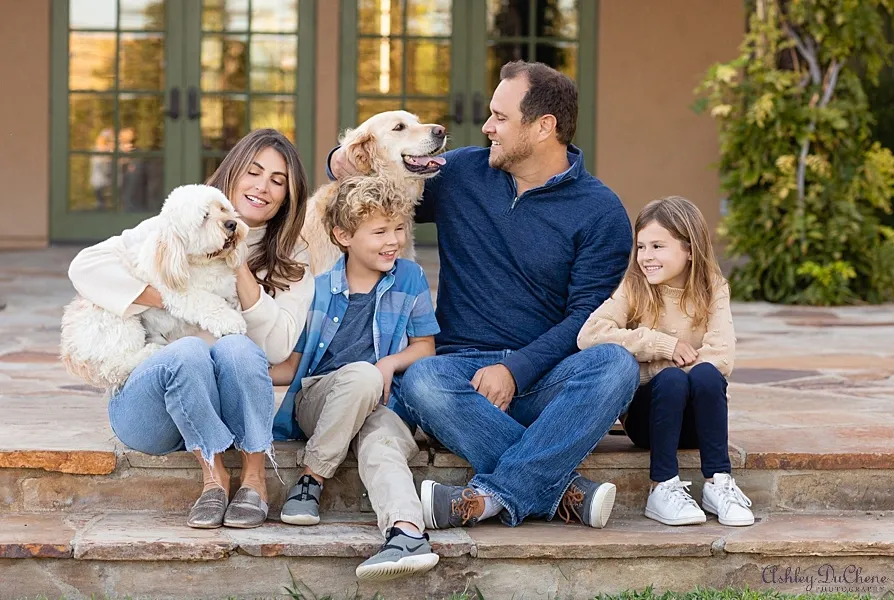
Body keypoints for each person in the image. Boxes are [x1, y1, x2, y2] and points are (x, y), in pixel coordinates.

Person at [328, 61, 638, 529]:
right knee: (422, 380)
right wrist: (342, 158)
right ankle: (561, 491)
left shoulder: (600, 211)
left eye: (500, 117)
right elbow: (369, 180)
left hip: (544, 377)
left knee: (616, 366)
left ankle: (492, 496)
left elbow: (586, 320)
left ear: (542, 127)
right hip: (459, 379)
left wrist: (515, 370)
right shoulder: (459, 173)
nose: (486, 127)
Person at [67, 128, 314, 529]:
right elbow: (84, 267)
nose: (262, 187)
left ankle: (254, 479)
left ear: (288, 195)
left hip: (223, 405)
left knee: (237, 347)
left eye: (277, 181)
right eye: (253, 172)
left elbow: (277, 346)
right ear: (232, 173)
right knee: (186, 352)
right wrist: (175, 297)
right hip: (152, 410)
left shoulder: (293, 256)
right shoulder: (178, 222)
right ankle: (213, 479)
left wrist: (238, 265)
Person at [269, 176, 441, 581]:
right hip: (320, 400)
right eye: (379, 231)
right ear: (343, 235)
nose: (393, 240)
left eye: (399, 228)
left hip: (382, 402)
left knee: (382, 444)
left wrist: (390, 363)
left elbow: (425, 348)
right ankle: (311, 478)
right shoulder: (319, 287)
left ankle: (406, 534)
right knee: (362, 376)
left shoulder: (411, 278)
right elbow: (293, 365)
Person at [577, 196, 753, 527]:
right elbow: (589, 335)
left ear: (689, 248)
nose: (646, 257)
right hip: (649, 420)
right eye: (641, 247)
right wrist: (663, 345)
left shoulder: (713, 288)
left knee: (707, 376)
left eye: (658, 246)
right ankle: (662, 487)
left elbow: (722, 357)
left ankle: (719, 484)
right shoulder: (634, 287)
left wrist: (679, 363)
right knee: (672, 380)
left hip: (697, 422)